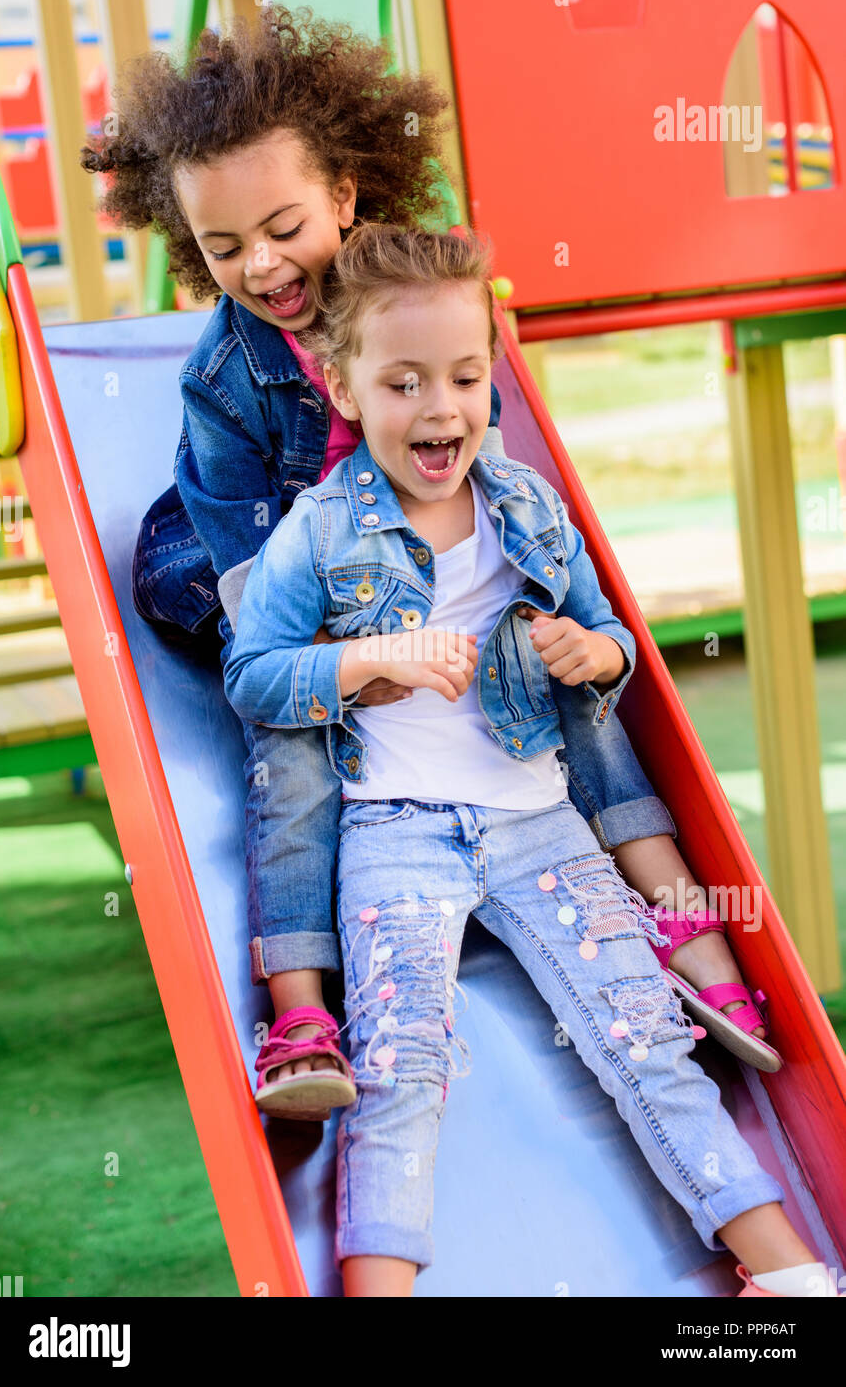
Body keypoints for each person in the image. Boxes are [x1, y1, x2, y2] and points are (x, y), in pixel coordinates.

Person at [81, 4, 777, 1121]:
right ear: (194, 249)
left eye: (283, 225)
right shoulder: (221, 378)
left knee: (555, 660)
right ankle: (300, 1002)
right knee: (295, 736)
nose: (259, 264)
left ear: (345, 200)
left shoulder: (414, 303)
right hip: (265, 550)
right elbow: (260, 583)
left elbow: (477, 466)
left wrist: (538, 626)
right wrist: (357, 660)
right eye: (222, 249)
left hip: (414, 546)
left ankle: (682, 917)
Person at [223, 221, 835, 1297]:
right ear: (346, 386)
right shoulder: (319, 532)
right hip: (395, 830)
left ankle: (785, 1274)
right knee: (400, 1065)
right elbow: (255, 674)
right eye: (405, 383)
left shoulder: (527, 507)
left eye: (465, 376)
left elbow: (613, 646)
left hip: (539, 822)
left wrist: (584, 650)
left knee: (645, 1035)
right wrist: (370, 658)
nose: (443, 409)